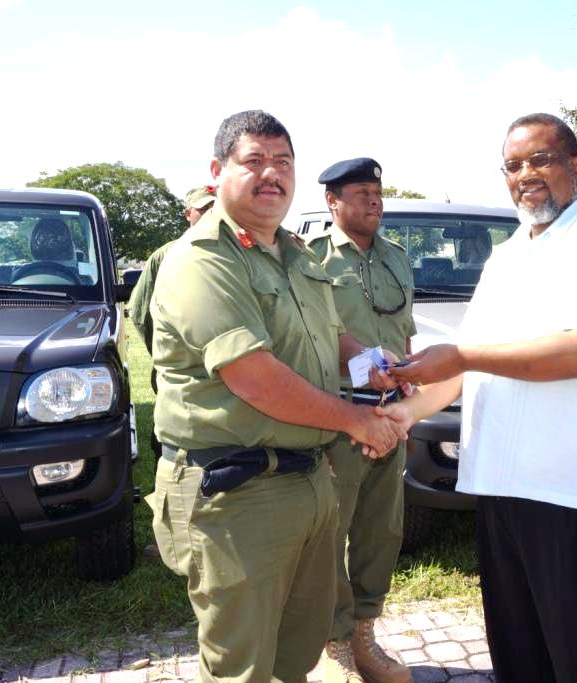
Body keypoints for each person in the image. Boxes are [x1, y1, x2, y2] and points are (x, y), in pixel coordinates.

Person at [383, 113, 577, 683]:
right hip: (503, 487)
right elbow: (468, 361)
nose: (525, 174)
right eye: (512, 165)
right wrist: (403, 414)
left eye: (540, 160)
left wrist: (461, 357)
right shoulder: (506, 255)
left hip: (575, 491)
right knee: (519, 655)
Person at [145, 110, 405, 683]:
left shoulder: (296, 253)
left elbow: (327, 336)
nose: (272, 174)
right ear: (217, 171)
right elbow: (253, 376)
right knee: (242, 666)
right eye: (254, 161)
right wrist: (356, 420)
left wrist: (371, 365)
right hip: (236, 491)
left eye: (283, 162)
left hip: (306, 477)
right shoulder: (201, 259)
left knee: (295, 656)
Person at [308, 158, 416, 683]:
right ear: (333, 201)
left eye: (377, 191)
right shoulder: (312, 258)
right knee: (332, 531)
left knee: (381, 530)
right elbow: (312, 332)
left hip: (391, 411)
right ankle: (334, 644)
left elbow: (406, 333)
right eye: (360, 192)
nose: (374, 200)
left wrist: (412, 392)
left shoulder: (397, 256)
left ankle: (364, 633)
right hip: (341, 411)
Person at [128, 185, 216, 467]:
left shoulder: (236, 251)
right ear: (188, 214)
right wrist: (164, 352)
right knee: (173, 423)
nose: (210, 213)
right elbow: (141, 311)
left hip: (222, 361)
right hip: (180, 362)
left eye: (215, 207)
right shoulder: (166, 255)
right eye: (203, 209)